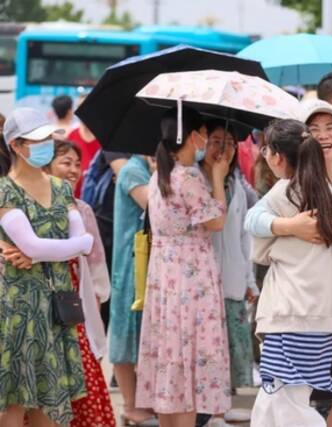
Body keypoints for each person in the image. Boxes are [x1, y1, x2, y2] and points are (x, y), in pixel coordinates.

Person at [245, 100, 332, 427]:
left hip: (289, 316)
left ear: (280, 157)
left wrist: (283, 229)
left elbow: (258, 246)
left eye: (330, 127)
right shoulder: (331, 197)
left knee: (286, 402)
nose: (324, 135)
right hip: (324, 320)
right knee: (276, 401)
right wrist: (291, 228)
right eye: (315, 129)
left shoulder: (285, 192)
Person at [135, 106, 231, 427]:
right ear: (193, 137)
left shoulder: (158, 176)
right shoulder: (188, 176)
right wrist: (217, 176)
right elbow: (217, 221)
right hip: (192, 278)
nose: (206, 141)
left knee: (170, 357)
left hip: (165, 276)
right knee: (190, 363)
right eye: (204, 134)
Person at [0, 108, 94, 426]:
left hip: (56, 307)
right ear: (16, 145)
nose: (46, 146)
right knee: (13, 402)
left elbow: (85, 242)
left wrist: (40, 255)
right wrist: (49, 251)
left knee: (51, 400)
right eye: (36, 140)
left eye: (48, 138)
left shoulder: (61, 188)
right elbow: (36, 245)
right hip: (18, 308)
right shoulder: (5, 191)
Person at [45, 140, 116, 427]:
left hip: (74, 303)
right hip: (43, 300)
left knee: (81, 364)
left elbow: (96, 261)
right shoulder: (29, 205)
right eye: (65, 162)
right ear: (46, 165)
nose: (74, 169)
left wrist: (96, 301)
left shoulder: (83, 209)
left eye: (77, 163)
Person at [199, 119, 259, 427]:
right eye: (217, 141)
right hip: (201, 281)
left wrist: (250, 280)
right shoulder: (194, 181)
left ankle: (221, 406)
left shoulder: (237, 184)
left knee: (228, 346)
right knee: (207, 348)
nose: (224, 149)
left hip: (233, 276)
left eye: (230, 143)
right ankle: (209, 410)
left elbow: (243, 236)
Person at [109, 151, 155, 425]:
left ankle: (143, 402)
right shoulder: (133, 171)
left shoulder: (145, 169)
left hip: (147, 261)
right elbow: (153, 204)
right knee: (126, 332)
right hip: (131, 262)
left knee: (145, 333)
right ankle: (129, 404)